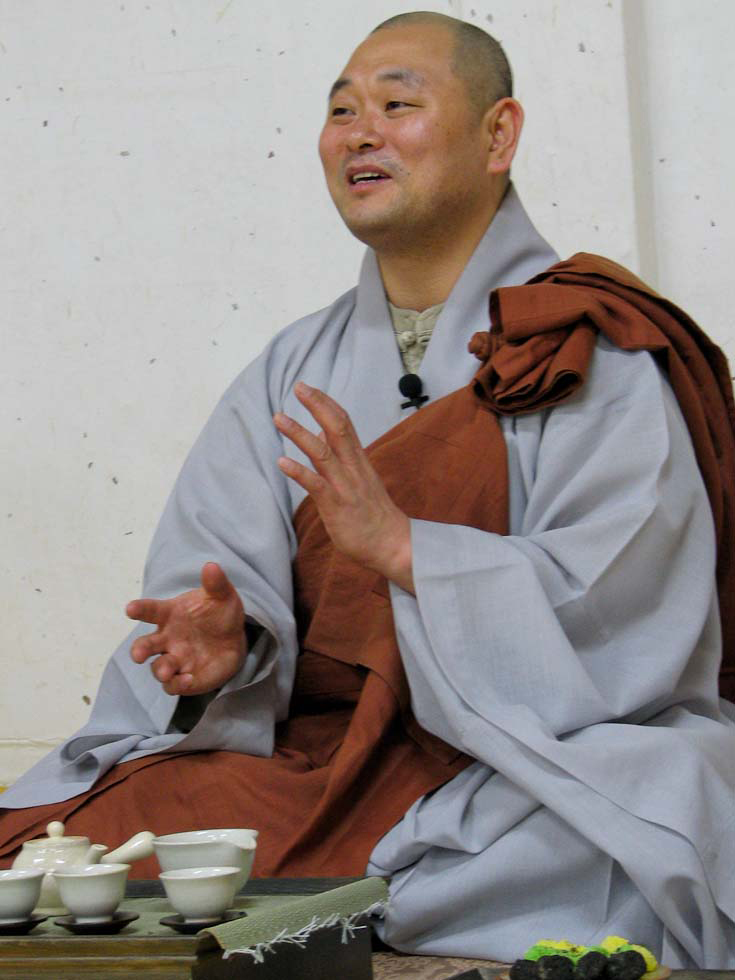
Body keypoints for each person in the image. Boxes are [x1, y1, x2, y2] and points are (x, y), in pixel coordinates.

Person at [2, 10, 735, 969]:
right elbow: (208, 577)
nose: (360, 132)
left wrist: (407, 552)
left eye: (397, 103)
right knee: (93, 830)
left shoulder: (587, 347)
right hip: (329, 760)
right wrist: (231, 649)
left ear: (497, 134)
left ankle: (342, 899)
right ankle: (365, 894)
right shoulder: (290, 367)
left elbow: (629, 608)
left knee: (670, 798)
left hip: (516, 760)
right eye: (341, 110)